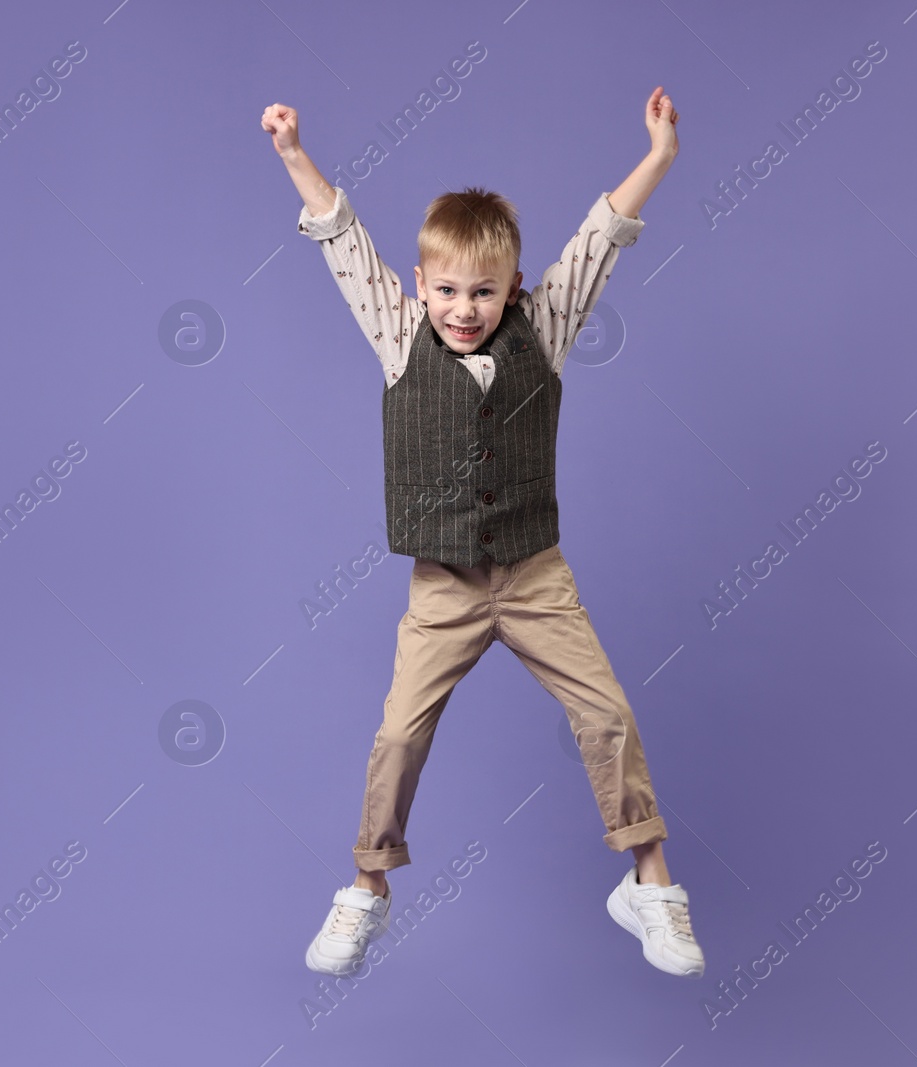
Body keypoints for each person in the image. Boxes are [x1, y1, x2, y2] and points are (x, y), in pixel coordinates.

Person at [261, 86, 703, 979]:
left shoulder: (546, 327)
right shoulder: (398, 337)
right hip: (445, 585)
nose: (465, 308)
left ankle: (649, 882)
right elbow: (344, 244)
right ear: (420, 285)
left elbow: (597, 244)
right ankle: (368, 887)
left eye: (485, 291)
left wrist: (657, 157)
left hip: (536, 575)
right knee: (397, 735)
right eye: (449, 290)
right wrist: (294, 157)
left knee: (607, 711)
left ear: (514, 288)